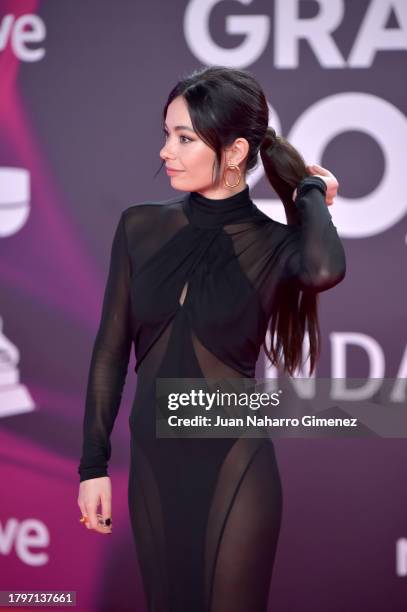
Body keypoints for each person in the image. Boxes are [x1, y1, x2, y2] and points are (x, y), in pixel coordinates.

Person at [77, 65, 346, 612]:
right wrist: (92, 468)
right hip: (153, 468)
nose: (165, 152)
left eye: (184, 138)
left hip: (237, 466)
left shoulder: (276, 244)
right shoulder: (139, 227)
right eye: (166, 134)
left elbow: (323, 269)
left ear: (235, 150)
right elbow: (109, 351)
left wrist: (311, 188)